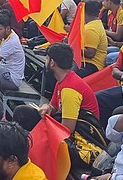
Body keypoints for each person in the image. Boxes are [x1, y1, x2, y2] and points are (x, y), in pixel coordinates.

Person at [39, 43, 105, 171]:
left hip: (82, 142)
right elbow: (54, 105)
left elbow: (67, 130)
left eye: (47, 58)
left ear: (52, 62)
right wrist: (48, 107)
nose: (46, 61)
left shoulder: (70, 88)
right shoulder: (64, 80)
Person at [77, 0, 107, 77]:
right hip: (84, 62)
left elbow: (90, 53)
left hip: (92, 65)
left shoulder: (91, 29)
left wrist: (72, 44)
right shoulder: (94, 23)